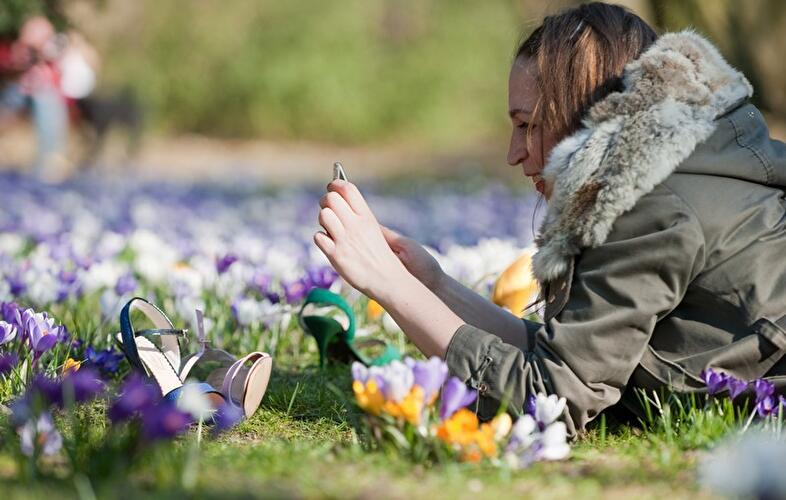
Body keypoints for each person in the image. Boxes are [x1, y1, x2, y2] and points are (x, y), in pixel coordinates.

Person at [313, 2, 786, 436]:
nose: (514, 153)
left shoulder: (652, 208)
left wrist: (392, 286)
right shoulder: (664, 172)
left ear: (583, 116)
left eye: (529, 124)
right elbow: (575, 359)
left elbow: (552, 398)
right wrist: (434, 286)